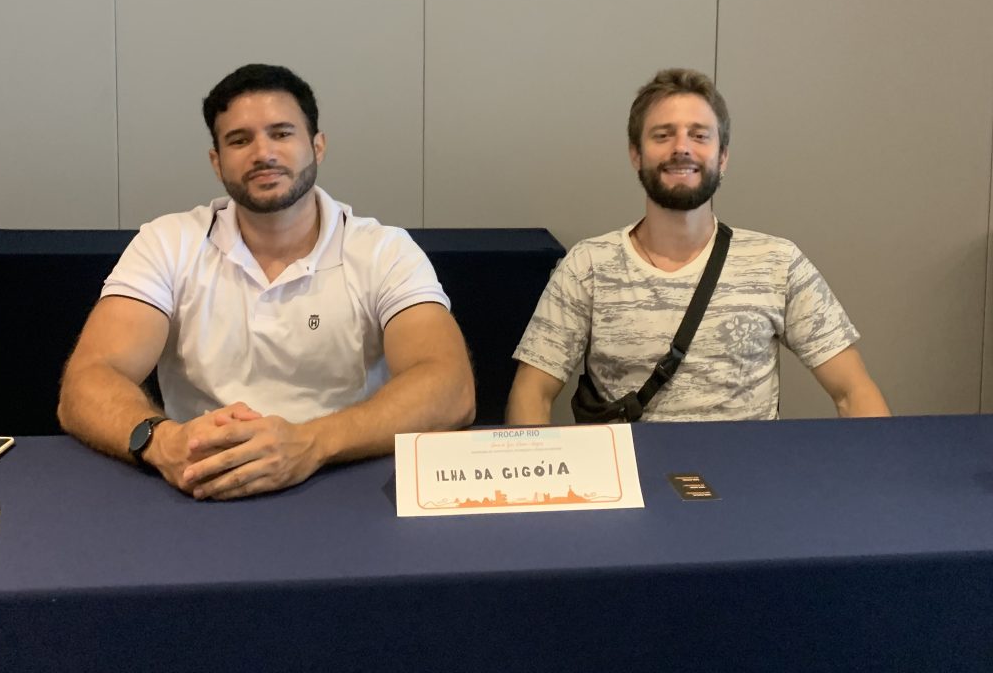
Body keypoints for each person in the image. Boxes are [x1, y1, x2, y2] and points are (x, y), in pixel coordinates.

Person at [59, 64, 475, 498]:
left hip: (348, 483)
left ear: (317, 146)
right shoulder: (167, 243)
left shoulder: (383, 250)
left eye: (281, 134)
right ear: (217, 162)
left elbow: (451, 386)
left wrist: (311, 443)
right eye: (240, 140)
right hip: (200, 484)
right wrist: (162, 442)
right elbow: (87, 381)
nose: (263, 153)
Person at [506, 67, 889, 424]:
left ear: (723, 157)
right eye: (663, 135)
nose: (681, 148)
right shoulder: (588, 265)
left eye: (699, 135)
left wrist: (882, 470)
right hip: (632, 471)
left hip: (751, 472)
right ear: (636, 154)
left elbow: (853, 392)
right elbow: (531, 393)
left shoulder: (778, 263)